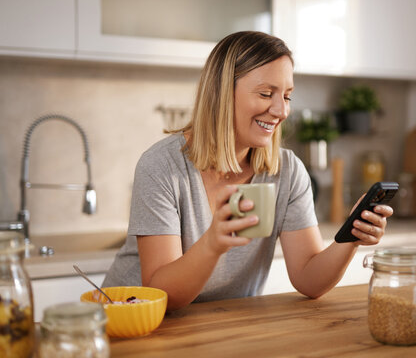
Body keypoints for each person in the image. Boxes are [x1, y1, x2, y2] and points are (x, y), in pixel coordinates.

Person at [103, 31, 393, 310]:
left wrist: (350, 236)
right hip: (135, 326)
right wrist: (212, 245)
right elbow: (160, 294)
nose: (281, 111)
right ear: (221, 94)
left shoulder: (287, 170)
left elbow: (308, 278)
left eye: (287, 96)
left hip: (221, 328)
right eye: (267, 93)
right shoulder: (161, 167)